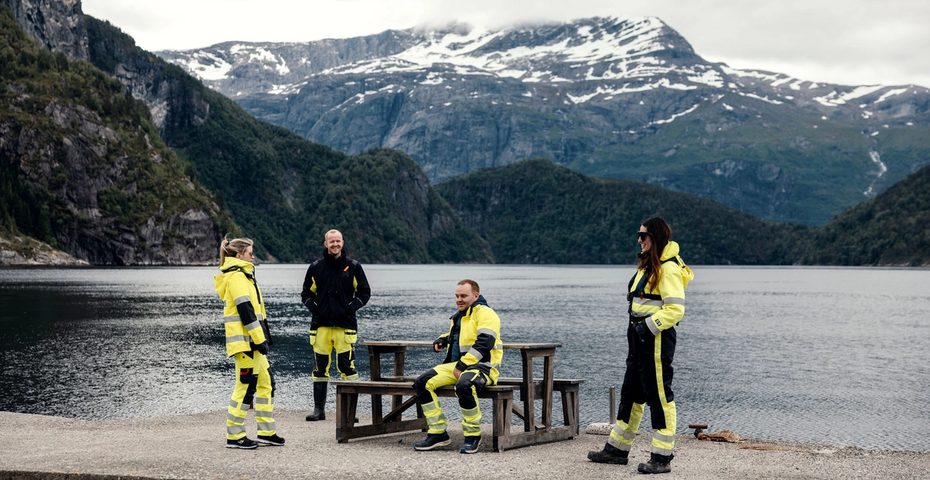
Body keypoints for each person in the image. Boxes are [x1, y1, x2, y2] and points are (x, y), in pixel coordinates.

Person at [588, 217, 693, 474]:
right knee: (631, 394)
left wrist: (647, 327)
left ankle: (662, 457)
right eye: (638, 234)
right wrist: (638, 329)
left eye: (643, 235)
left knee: (659, 396)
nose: (639, 239)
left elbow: (676, 310)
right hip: (637, 336)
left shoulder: (667, 269)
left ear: (654, 237)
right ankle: (617, 449)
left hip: (655, 339)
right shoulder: (650, 264)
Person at [412, 279, 503, 454]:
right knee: (422, 382)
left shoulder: (486, 313)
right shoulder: (462, 315)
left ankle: (472, 436)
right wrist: (443, 339)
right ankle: (438, 433)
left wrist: (463, 364)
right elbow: (456, 334)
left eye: (463, 296)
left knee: (464, 385)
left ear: (476, 295)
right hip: (459, 366)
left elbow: (485, 342)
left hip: (484, 367)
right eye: (457, 296)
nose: (459, 299)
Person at [214, 237, 285, 449]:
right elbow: (246, 312)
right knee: (245, 387)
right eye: (250, 252)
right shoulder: (236, 276)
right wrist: (259, 339)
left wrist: (262, 339)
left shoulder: (246, 275)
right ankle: (234, 435)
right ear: (239, 255)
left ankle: (266, 432)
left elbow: (256, 312)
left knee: (266, 384)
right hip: (245, 344)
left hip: (253, 342)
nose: (253, 256)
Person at [301, 229, 371, 421]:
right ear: (325, 244)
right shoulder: (315, 267)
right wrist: (314, 308)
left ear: (343, 242)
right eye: (331, 241)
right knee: (319, 368)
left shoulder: (354, 267)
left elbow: (364, 293)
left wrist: (351, 307)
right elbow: (306, 293)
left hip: (345, 326)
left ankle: (350, 413)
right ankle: (319, 410)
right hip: (321, 326)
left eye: (338, 241)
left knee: (348, 369)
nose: (335, 244)